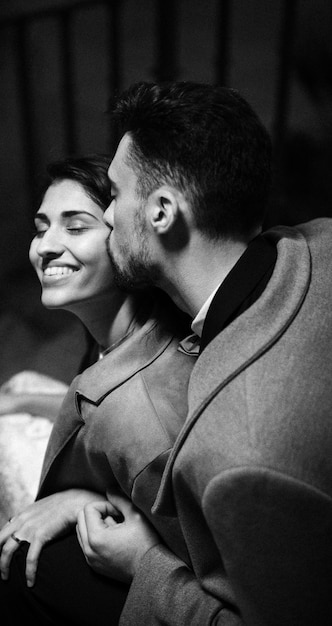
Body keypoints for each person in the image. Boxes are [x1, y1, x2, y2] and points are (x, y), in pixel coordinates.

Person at [75, 80, 332, 625]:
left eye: (116, 195)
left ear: (163, 212)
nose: (105, 216)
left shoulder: (238, 452)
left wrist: (146, 565)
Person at [0, 153, 195, 625]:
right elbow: (86, 410)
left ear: (127, 238)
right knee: (19, 386)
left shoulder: (151, 403)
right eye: (42, 225)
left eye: (76, 227)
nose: (45, 245)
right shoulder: (118, 333)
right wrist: (22, 400)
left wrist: (82, 502)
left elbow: (184, 541)